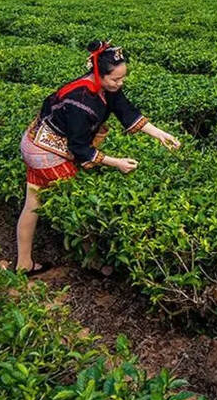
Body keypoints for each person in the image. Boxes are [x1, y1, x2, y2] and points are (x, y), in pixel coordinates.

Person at [16, 40, 180, 275]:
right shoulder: (81, 101)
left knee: (34, 201)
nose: (120, 83)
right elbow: (80, 148)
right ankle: (93, 262)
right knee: (79, 202)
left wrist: (161, 134)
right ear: (98, 74)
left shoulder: (105, 88)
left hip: (39, 140)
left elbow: (126, 111)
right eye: (116, 79)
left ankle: (24, 263)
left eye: (123, 78)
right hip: (45, 151)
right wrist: (118, 163)